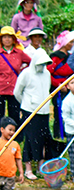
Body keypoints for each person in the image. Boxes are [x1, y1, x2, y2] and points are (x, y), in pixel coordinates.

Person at [13, 49, 52, 180]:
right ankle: (28, 168)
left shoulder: (47, 73)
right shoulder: (26, 73)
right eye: (40, 63)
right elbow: (17, 92)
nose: (42, 66)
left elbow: (47, 89)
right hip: (30, 110)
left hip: (44, 111)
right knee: (30, 139)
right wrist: (27, 104)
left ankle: (41, 166)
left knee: (43, 138)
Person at [0, 26, 31, 123]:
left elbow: (31, 63)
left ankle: (15, 136)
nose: (7, 39)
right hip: (1, 88)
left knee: (14, 114)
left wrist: (23, 72)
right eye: (4, 37)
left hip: (14, 88)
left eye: (9, 37)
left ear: (14, 39)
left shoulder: (19, 53)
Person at [0, 117, 23, 190]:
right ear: (2, 129)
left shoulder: (15, 144)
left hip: (10, 176)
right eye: (10, 130)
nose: (12, 132)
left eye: (14, 130)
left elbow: (18, 159)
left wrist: (21, 173)